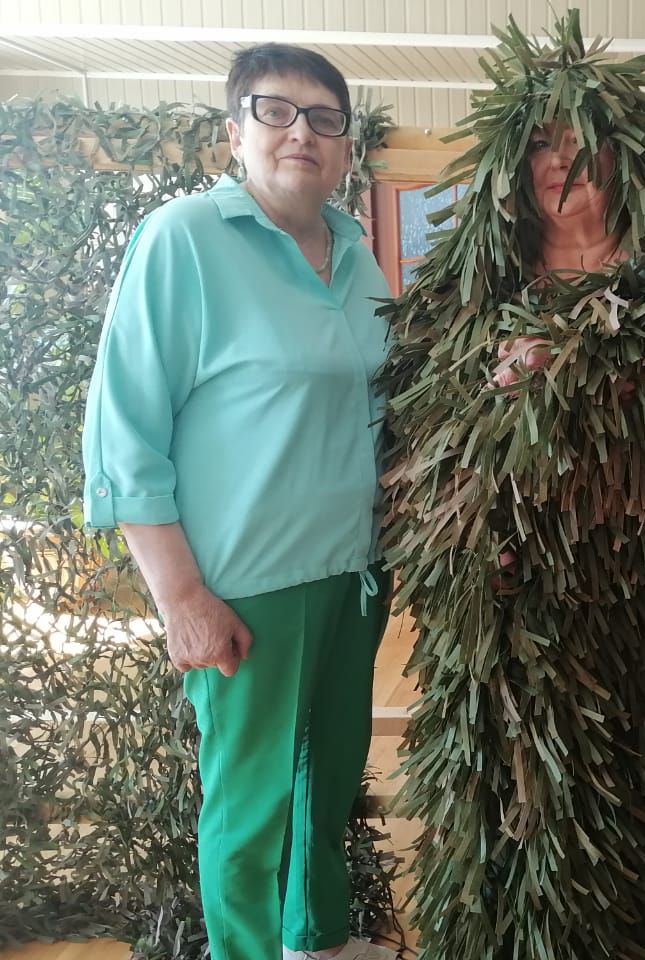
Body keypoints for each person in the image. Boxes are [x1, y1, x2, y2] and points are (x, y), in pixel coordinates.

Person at [376, 13, 645, 960]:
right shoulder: (461, 293)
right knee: (506, 808)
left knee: (638, 805)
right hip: (503, 618)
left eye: (583, 143)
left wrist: (588, 376)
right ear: (510, 167)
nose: (562, 163)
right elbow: (412, 442)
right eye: (542, 146)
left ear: (632, 162)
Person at [80, 43, 395, 960]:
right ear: (235, 132)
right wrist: (180, 596)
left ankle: (317, 942)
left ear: (345, 147)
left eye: (325, 118)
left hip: (355, 574)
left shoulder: (358, 258)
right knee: (252, 809)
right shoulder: (184, 239)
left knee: (326, 786)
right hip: (246, 586)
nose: (302, 133)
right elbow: (124, 432)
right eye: (275, 111)